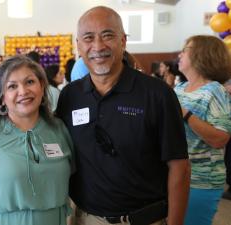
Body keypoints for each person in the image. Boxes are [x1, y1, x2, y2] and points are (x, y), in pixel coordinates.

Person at [56, 6, 190, 225]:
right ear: (78, 46)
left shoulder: (157, 94)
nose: (98, 46)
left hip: (144, 219)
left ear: (123, 41)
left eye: (108, 35)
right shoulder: (71, 95)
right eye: (88, 38)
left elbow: (179, 167)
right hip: (85, 219)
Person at [0, 55, 74, 225]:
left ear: (42, 85)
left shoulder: (60, 130)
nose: (23, 91)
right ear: (1, 97)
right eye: (12, 86)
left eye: (30, 82)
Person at [175, 35, 231, 225]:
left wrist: (185, 113)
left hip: (201, 180)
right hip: (174, 176)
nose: (180, 53)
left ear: (203, 55)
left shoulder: (215, 90)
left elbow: (220, 139)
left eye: (186, 49)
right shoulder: (179, 88)